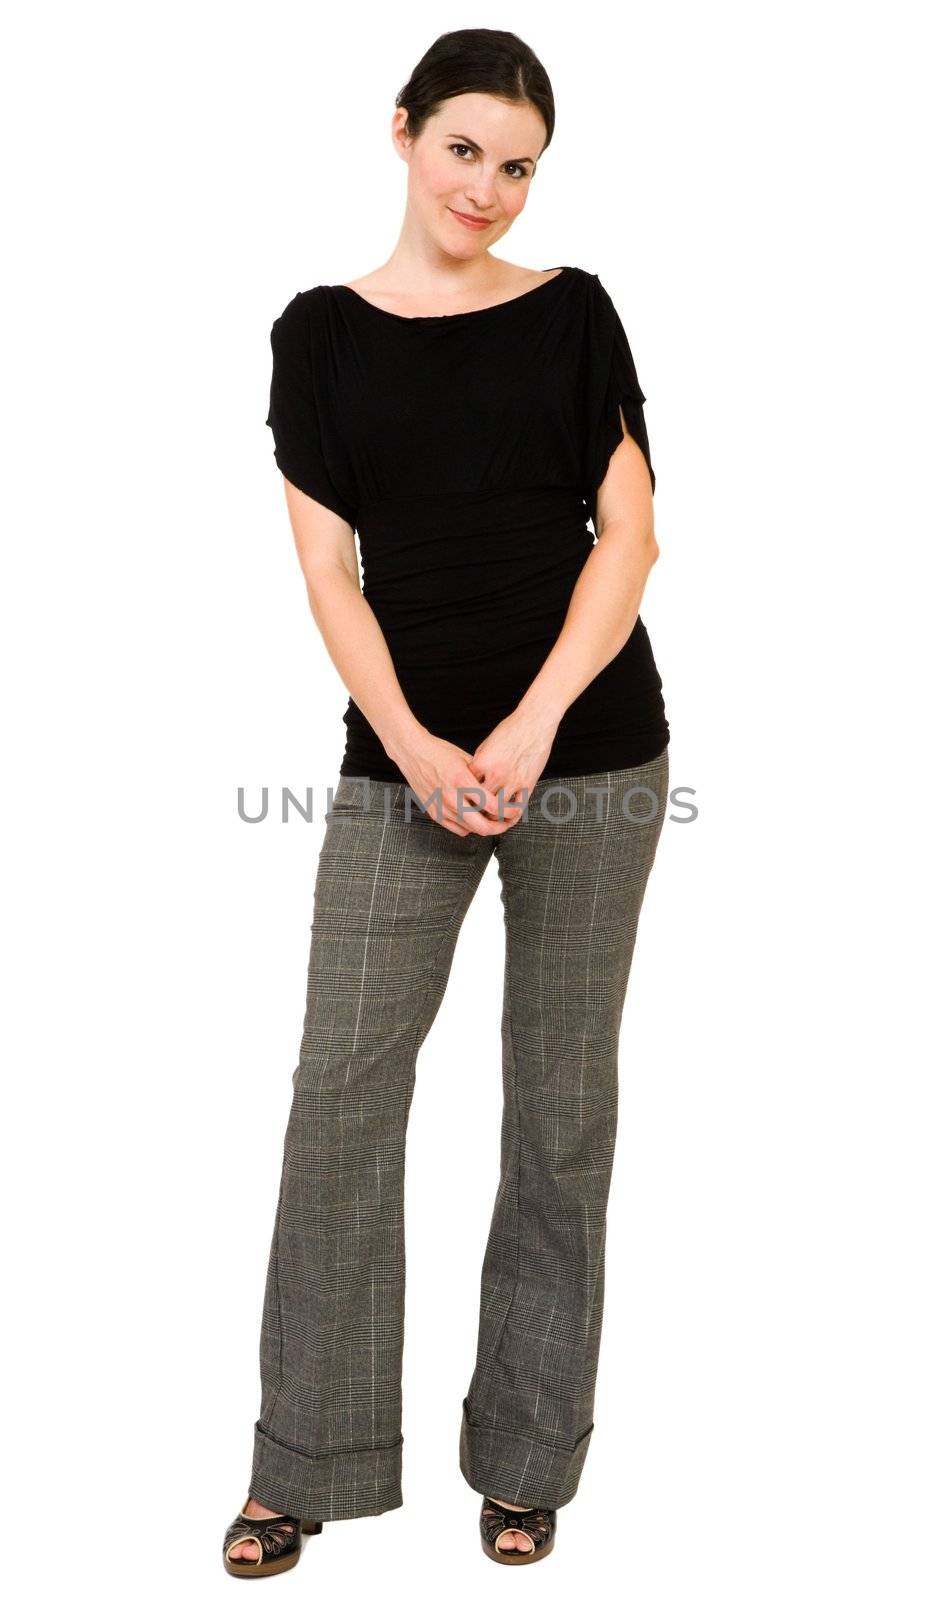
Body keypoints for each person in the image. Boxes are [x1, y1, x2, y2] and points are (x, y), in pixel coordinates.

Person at [222, 25, 671, 1577]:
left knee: (559, 1113)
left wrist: (537, 722)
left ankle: (528, 1457)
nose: (490, 188)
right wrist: (413, 742)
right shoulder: (319, 333)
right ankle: (310, 1460)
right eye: (467, 149)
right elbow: (327, 575)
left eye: (521, 166)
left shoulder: (575, 315)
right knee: (340, 1097)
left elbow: (631, 540)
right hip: (403, 759)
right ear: (404, 133)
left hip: (592, 753)